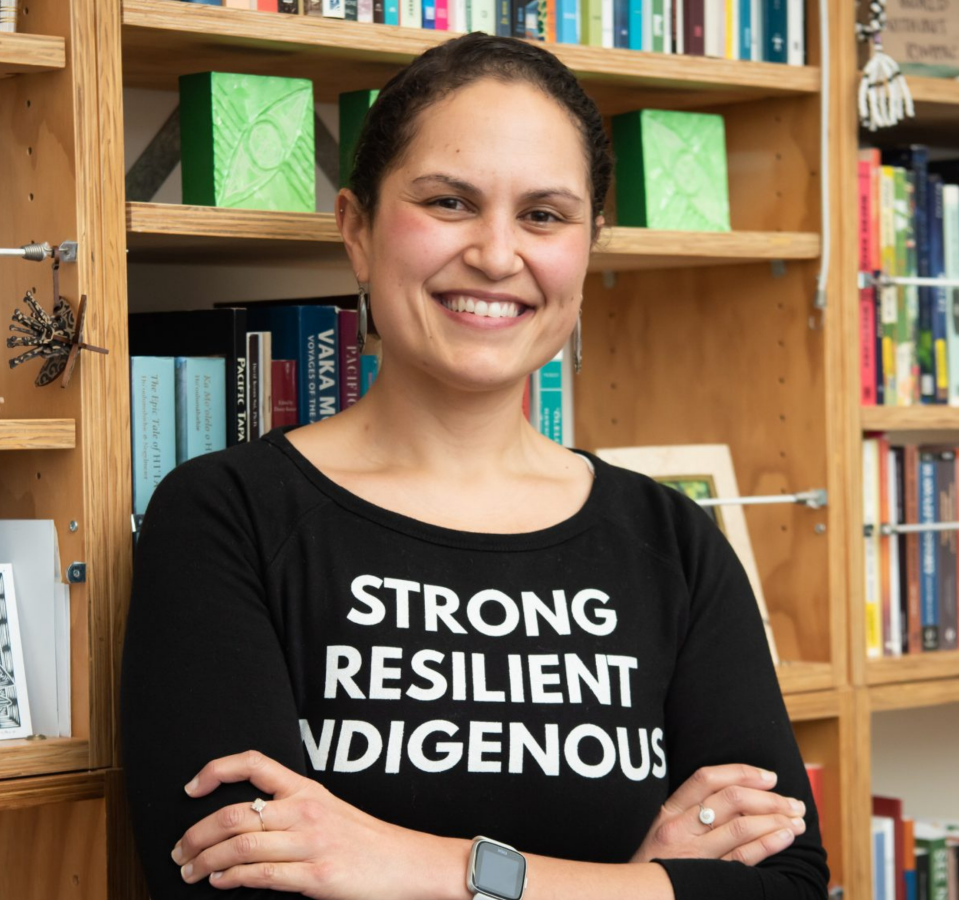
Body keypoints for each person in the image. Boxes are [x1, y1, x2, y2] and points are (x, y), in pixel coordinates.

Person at [122, 33, 830, 900]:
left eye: (544, 215)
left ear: (587, 245)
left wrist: (417, 864)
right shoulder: (225, 516)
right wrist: (641, 881)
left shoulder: (670, 540)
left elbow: (789, 886)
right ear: (357, 229)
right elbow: (230, 886)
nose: (499, 255)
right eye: (450, 202)